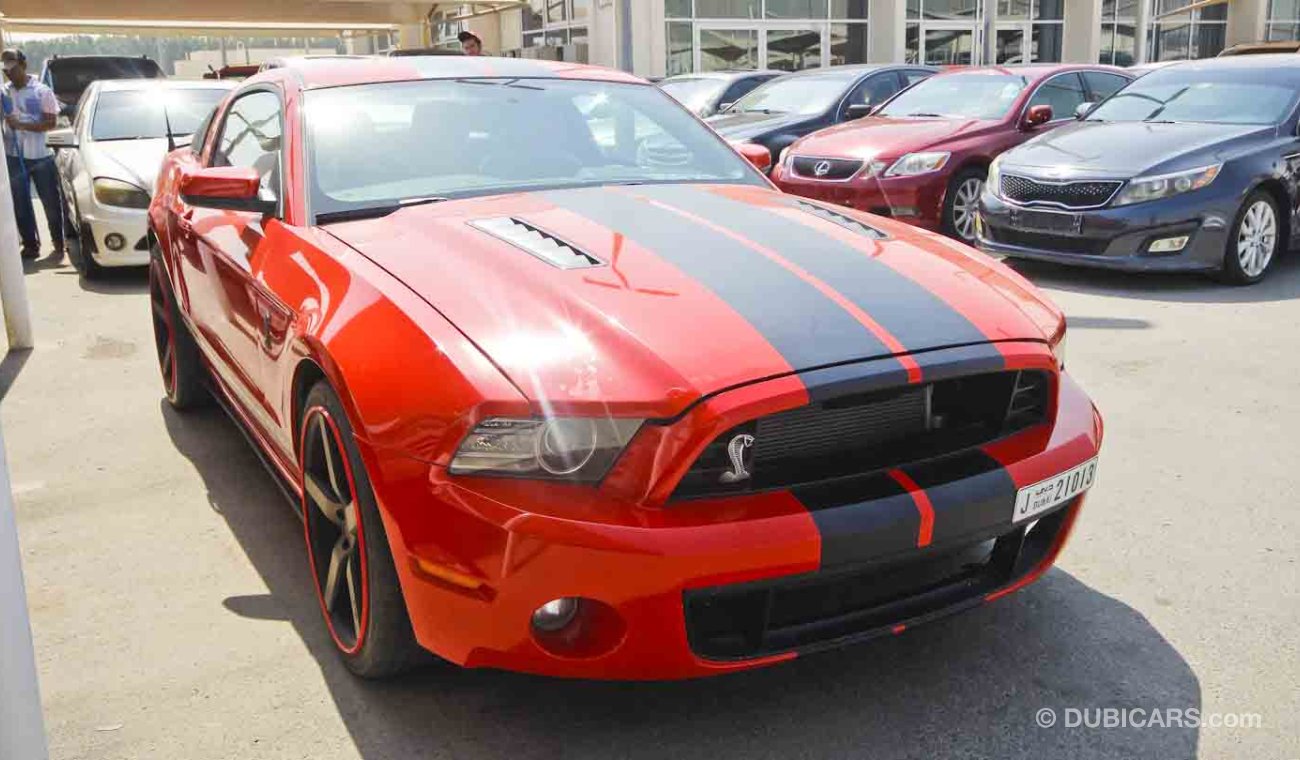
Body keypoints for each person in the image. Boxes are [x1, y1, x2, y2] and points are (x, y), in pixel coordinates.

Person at [2, 48, 63, 260]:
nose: (10, 74)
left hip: (41, 157)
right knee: (20, 203)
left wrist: (22, 125)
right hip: (13, 156)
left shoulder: (41, 91)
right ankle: (30, 244)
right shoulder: (3, 92)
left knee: (50, 201)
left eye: (13, 69)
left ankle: (58, 241)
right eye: (6, 71)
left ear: (23, 65)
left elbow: (51, 122)